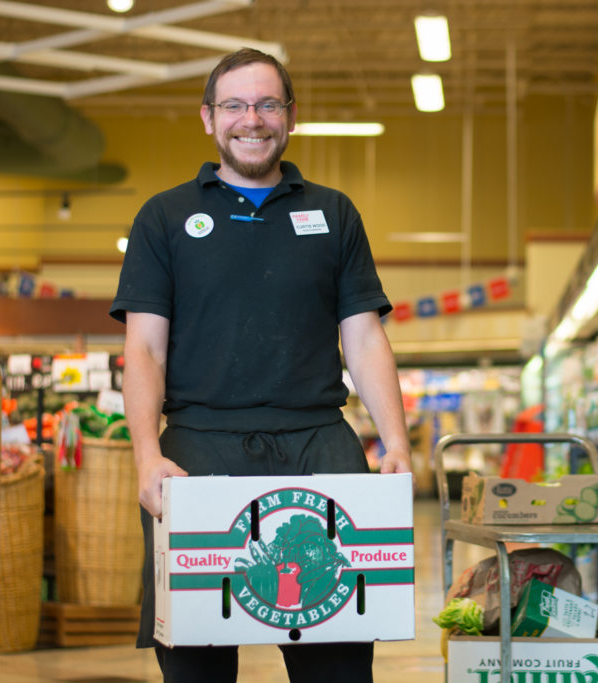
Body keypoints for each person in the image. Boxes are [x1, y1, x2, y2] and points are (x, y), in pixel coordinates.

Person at [109, 47, 412, 683]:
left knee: (337, 654)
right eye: (236, 105)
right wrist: (144, 455)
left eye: (268, 103)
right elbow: (143, 348)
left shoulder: (333, 214)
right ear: (208, 118)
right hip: (198, 450)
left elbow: (363, 335)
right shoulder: (163, 217)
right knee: (195, 662)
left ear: (291, 116)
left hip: (320, 445)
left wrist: (397, 445)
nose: (253, 118)